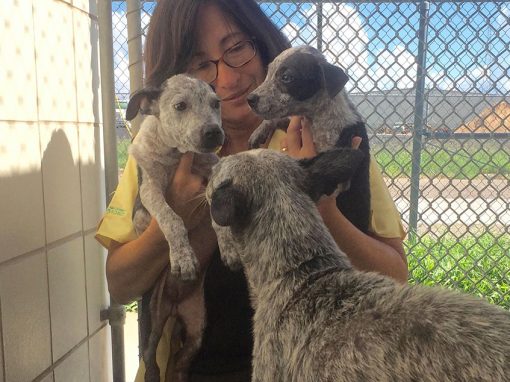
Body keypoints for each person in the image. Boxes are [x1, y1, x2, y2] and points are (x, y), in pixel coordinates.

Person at [96, 0, 408, 381]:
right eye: (200, 64)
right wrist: (171, 218)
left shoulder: (324, 139)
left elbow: (394, 278)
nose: (227, 80)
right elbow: (120, 284)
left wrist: (319, 200)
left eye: (237, 49)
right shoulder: (163, 151)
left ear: (261, 44)